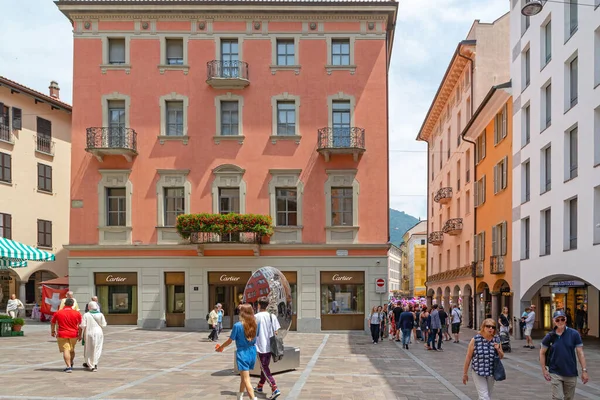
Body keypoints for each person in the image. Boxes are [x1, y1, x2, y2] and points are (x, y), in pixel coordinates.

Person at [540, 310, 588, 400]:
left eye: (562, 319)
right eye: (557, 320)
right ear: (554, 321)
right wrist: (544, 370)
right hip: (555, 371)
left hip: (571, 372)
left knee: (569, 397)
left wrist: (584, 371)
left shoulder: (574, 334)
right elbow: (542, 353)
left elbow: (580, 353)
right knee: (557, 397)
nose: (560, 322)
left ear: (565, 319)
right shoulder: (550, 336)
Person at [216, 304, 259, 400]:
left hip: (242, 353)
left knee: (246, 379)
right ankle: (240, 395)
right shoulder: (256, 324)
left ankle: (253, 398)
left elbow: (230, 340)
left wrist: (221, 347)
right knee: (244, 376)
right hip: (252, 351)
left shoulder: (237, 326)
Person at [462, 318, 504, 400]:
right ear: (483, 327)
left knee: (486, 395)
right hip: (478, 371)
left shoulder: (496, 339)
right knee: (484, 397)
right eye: (488, 326)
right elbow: (468, 357)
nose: (490, 328)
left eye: (493, 327)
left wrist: (498, 349)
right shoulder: (476, 339)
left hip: (491, 372)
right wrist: (465, 373)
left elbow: (501, 356)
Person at [253, 297, 281, 400]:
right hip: (270, 346)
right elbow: (276, 332)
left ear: (259, 305)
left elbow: (252, 332)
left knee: (264, 368)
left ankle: (274, 388)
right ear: (268, 305)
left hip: (260, 346)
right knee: (264, 366)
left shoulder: (255, 317)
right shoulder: (272, 316)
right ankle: (260, 386)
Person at [50, 298, 82, 373]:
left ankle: (68, 366)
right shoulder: (77, 313)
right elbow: (80, 325)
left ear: (65, 304)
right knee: (72, 349)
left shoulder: (58, 312)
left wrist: (52, 331)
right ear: (72, 305)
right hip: (74, 334)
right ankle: (71, 362)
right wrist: (80, 334)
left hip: (62, 333)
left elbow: (53, 322)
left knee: (66, 349)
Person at [80, 301, 107, 372]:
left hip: (89, 333)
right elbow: (104, 325)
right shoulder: (101, 314)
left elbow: (83, 325)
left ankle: (90, 364)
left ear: (89, 307)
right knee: (97, 348)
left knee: (88, 348)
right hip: (98, 332)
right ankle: (95, 363)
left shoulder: (86, 315)